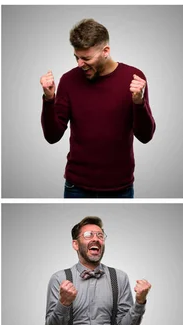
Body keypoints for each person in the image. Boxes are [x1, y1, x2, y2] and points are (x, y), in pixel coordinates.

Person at [40, 18, 155, 198]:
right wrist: (48, 99)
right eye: (76, 57)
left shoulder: (133, 78)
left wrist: (139, 103)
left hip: (121, 188)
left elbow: (145, 136)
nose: (79, 64)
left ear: (105, 51)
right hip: (76, 187)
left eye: (86, 58)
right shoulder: (69, 81)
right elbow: (52, 136)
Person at [45, 216, 151, 325]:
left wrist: (140, 302)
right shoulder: (59, 279)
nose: (96, 239)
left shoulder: (119, 278)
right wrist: (63, 303)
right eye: (88, 235)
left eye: (100, 235)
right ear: (75, 244)